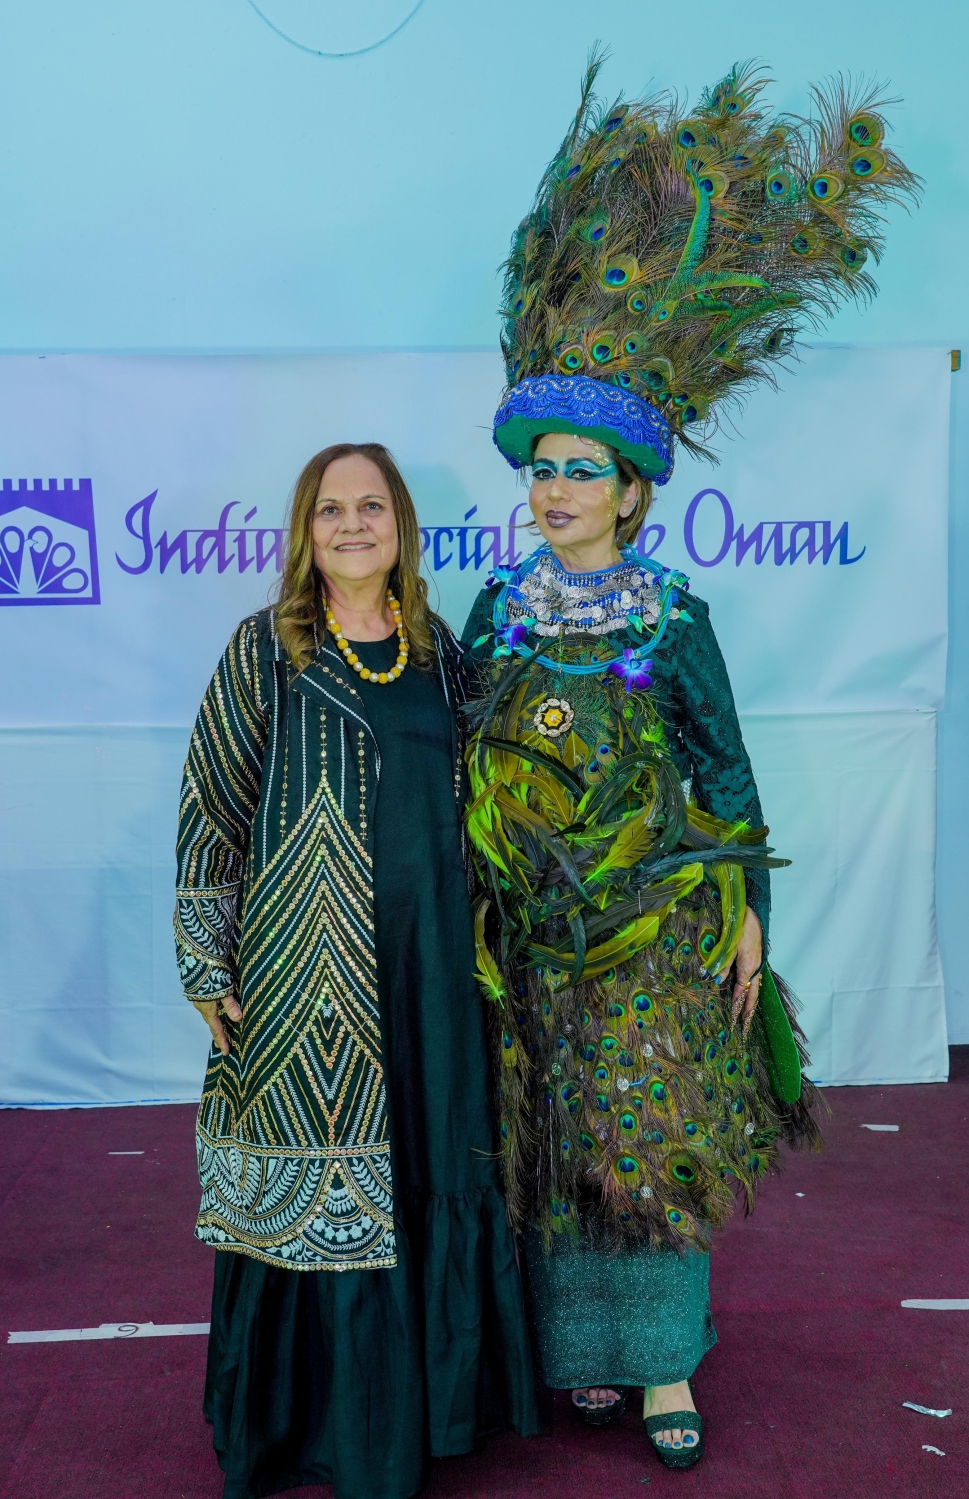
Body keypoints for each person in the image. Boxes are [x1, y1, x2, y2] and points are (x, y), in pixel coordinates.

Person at [460, 59, 917, 1469]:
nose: (555, 489)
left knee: (645, 1132)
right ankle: (580, 1357)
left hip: (656, 931)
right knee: (547, 1142)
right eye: (542, 466)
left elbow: (726, 772)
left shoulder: (674, 615)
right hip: (534, 933)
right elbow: (459, 751)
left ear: (633, 488)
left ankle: (663, 1362)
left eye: (581, 469)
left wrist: (748, 914)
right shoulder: (494, 607)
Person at [174, 441, 539, 1499]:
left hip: (436, 974)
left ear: (402, 526)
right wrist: (204, 957)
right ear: (306, 531)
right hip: (310, 973)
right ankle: (325, 1427)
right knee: (331, 1172)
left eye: (370, 506)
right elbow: (211, 807)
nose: (351, 525)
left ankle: (432, 1412)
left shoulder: (441, 652)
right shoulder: (266, 649)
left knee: (431, 1162)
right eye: (330, 509)